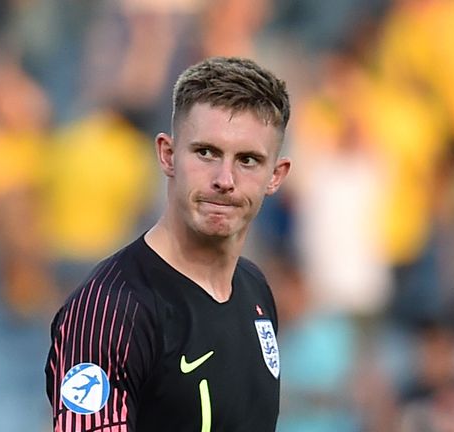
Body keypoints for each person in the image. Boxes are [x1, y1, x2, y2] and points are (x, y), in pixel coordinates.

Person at [45, 56, 292, 432]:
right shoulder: (110, 310)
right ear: (167, 154)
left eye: (248, 160)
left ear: (275, 176)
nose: (224, 179)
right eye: (206, 152)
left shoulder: (255, 289)